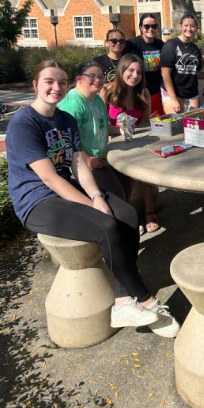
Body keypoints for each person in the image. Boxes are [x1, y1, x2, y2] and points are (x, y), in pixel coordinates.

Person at [6, 59, 179, 335]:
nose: (56, 87)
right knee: (107, 225)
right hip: (37, 201)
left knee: (128, 215)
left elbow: (78, 165)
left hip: (65, 189)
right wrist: (91, 206)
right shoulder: (24, 123)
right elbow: (49, 177)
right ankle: (147, 299)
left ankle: (122, 301)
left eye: (61, 82)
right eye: (49, 81)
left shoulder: (66, 120)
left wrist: (97, 195)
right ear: (35, 84)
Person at [101, 54, 159, 234]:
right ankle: (126, 216)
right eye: (131, 70)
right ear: (121, 71)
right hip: (115, 145)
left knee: (143, 170)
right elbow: (103, 124)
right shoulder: (108, 92)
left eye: (139, 72)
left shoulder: (143, 93)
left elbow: (145, 124)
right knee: (123, 178)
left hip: (137, 141)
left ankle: (149, 212)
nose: (135, 75)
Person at [58, 60, 124, 199]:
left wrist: (121, 130)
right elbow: (65, 140)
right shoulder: (73, 103)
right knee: (117, 196)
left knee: (125, 179)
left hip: (101, 159)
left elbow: (102, 127)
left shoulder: (97, 99)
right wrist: (88, 160)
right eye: (92, 76)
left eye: (100, 76)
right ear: (79, 79)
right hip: (79, 166)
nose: (97, 80)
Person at [160, 13, 202, 114]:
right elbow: (165, 74)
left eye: (192, 26)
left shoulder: (195, 48)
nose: (189, 28)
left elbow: (194, 71)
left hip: (192, 94)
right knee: (176, 126)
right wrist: (173, 99)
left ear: (196, 29)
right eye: (186, 25)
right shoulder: (170, 45)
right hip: (173, 94)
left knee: (194, 126)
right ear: (180, 27)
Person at [125, 14, 165, 117]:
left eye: (154, 26)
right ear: (141, 28)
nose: (150, 29)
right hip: (137, 91)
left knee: (156, 121)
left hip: (156, 91)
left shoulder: (161, 44)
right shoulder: (132, 44)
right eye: (147, 26)